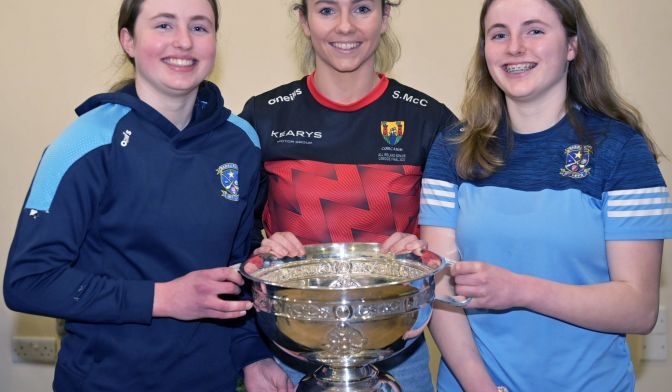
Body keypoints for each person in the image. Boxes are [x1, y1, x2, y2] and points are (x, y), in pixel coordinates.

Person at [2, 0, 293, 391]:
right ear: (128, 40)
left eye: (200, 27)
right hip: (105, 381)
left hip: (212, 381)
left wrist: (251, 353)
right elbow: (29, 282)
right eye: (163, 25)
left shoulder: (241, 142)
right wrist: (163, 298)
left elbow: (234, 270)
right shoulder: (84, 142)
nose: (183, 41)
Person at [419, 0, 672, 391]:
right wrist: (480, 387)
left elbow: (639, 309)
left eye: (535, 30)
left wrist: (521, 290)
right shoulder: (452, 147)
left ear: (572, 46)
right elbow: (439, 288)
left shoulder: (620, 150)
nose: (515, 47)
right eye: (499, 34)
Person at [239, 0, 457, 389]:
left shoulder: (430, 120)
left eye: (361, 9)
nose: (344, 26)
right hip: (289, 355)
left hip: (398, 353)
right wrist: (262, 253)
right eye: (326, 10)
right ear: (304, 21)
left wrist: (422, 247)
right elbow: (237, 239)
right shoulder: (264, 116)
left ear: (385, 17)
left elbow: (456, 245)